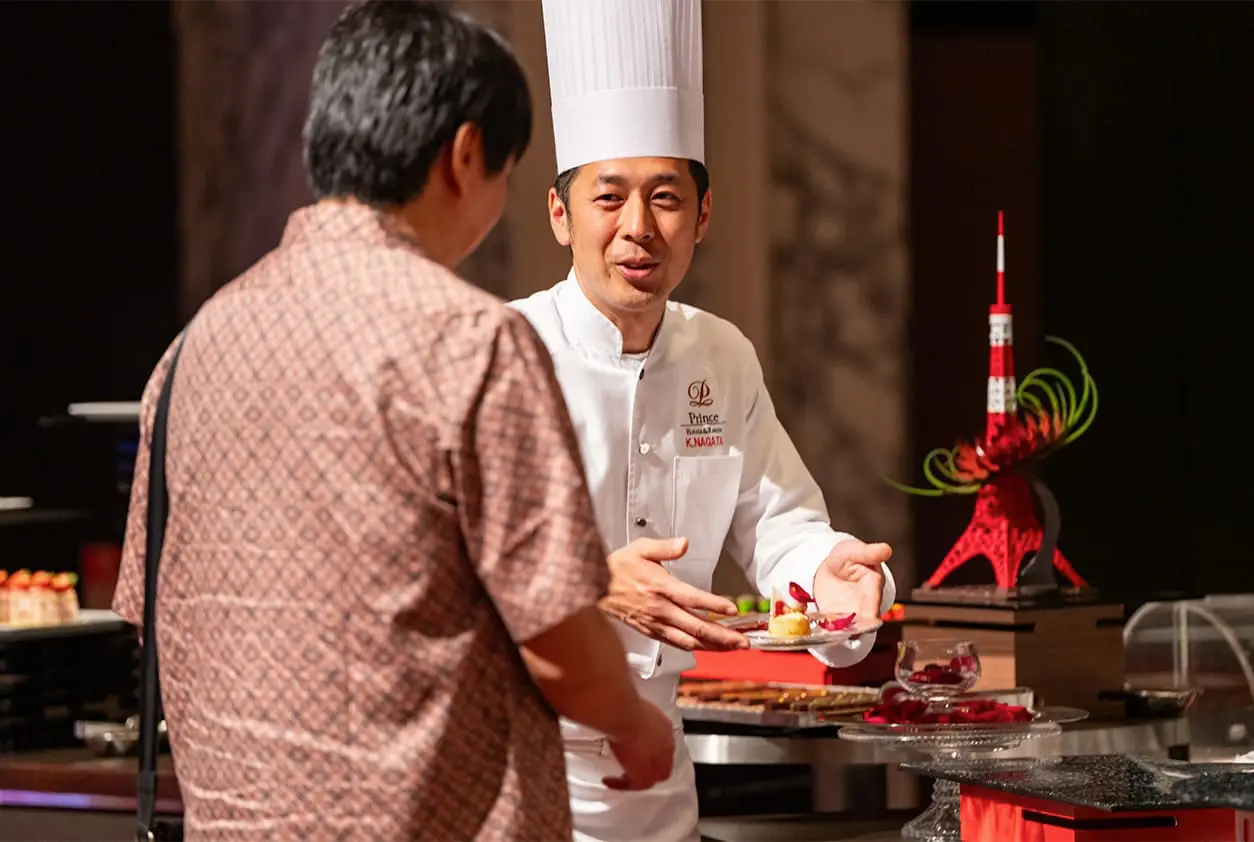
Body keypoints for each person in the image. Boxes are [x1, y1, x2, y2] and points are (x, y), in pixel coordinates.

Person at [110, 3, 675, 840]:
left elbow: (149, 615)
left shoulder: (189, 351)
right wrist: (632, 721)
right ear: (466, 154)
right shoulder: (472, 341)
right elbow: (557, 635)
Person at [509, 2, 899, 840]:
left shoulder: (721, 356)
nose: (637, 229)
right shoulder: (503, 352)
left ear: (704, 215)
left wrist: (830, 575)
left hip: (659, 774)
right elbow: (443, 571)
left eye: (665, 198)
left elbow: (781, 527)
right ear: (559, 215)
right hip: (517, 767)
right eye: (608, 198)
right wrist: (585, 581)